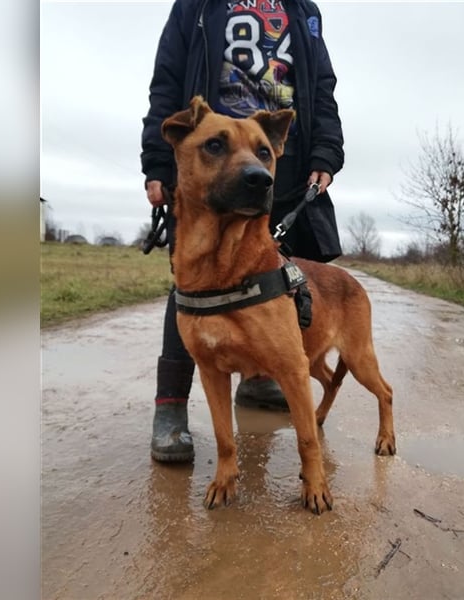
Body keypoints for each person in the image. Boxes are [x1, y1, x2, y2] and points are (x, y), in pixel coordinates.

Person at [141, 0, 344, 462]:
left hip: (278, 157)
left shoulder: (303, 9)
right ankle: (170, 406)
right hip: (210, 149)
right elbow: (167, 80)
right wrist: (157, 160)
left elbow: (321, 87)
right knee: (195, 280)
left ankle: (260, 378)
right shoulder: (197, 5)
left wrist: (325, 152)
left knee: (269, 283)